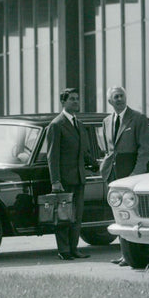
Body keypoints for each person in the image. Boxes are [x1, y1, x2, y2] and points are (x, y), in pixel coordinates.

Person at [100, 86, 149, 266]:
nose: (120, 99)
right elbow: (108, 150)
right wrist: (104, 168)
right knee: (119, 216)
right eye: (116, 97)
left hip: (132, 174)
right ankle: (125, 255)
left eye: (122, 96)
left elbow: (144, 150)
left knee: (133, 216)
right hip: (114, 175)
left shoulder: (138, 118)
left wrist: (136, 174)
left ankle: (132, 256)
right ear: (110, 101)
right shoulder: (106, 121)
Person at [46, 88, 98, 261]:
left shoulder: (80, 124)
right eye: (72, 99)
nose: (76, 102)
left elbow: (84, 152)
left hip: (79, 178)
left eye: (77, 99)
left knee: (77, 216)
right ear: (63, 102)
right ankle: (64, 250)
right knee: (63, 216)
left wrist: (97, 164)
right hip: (63, 180)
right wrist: (55, 181)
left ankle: (74, 248)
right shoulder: (56, 125)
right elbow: (52, 156)